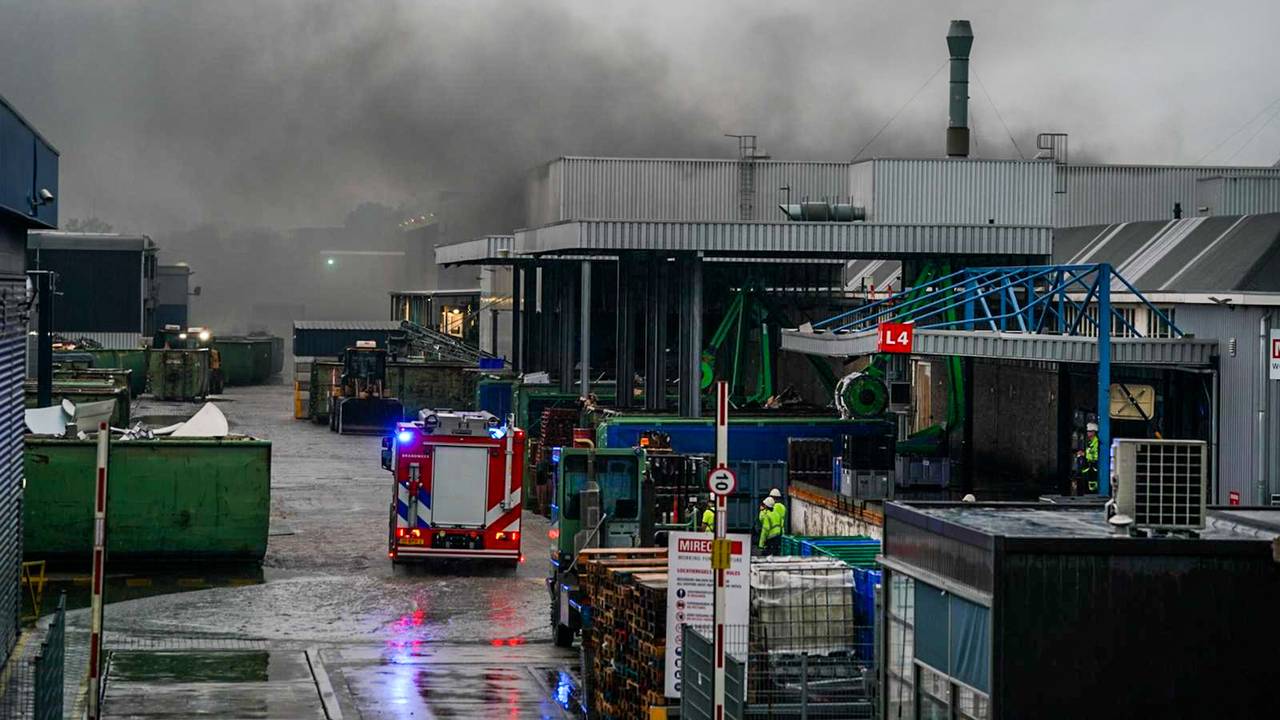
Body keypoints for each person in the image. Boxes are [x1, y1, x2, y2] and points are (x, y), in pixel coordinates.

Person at [1076, 421, 1100, 494]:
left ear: (1093, 432)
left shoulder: (1096, 442)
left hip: (1094, 469)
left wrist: (1084, 454)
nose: (1088, 433)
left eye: (1089, 431)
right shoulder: (1090, 442)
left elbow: (1096, 456)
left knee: (1092, 488)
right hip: (1089, 469)